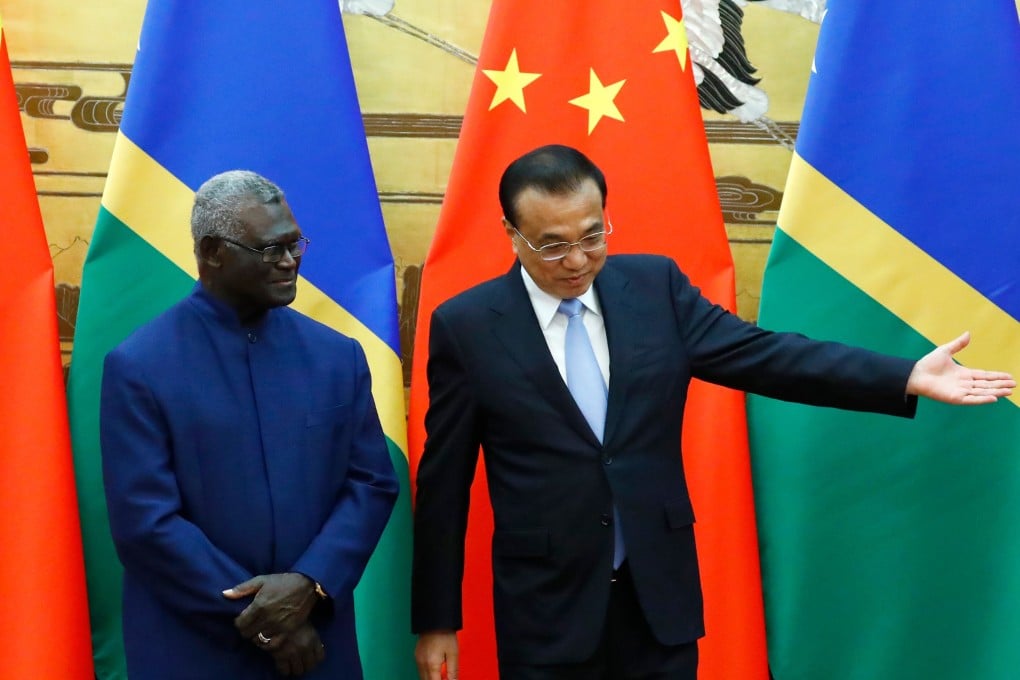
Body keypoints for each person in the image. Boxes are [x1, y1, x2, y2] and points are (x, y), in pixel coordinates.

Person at [411, 144, 1015, 680]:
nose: (576, 260)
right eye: (552, 244)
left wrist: (903, 375)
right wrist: (436, 621)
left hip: (659, 599)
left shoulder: (653, 289)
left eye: (592, 235)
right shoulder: (468, 326)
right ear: (511, 234)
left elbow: (766, 356)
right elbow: (444, 486)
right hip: (548, 610)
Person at [101, 170, 400, 679]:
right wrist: (266, 620)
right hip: (195, 649)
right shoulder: (140, 366)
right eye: (269, 248)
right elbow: (145, 524)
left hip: (317, 645)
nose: (290, 260)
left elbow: (370, 482)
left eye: (294, 242)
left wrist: (310, 582)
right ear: (214, 252)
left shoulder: (338, 357)